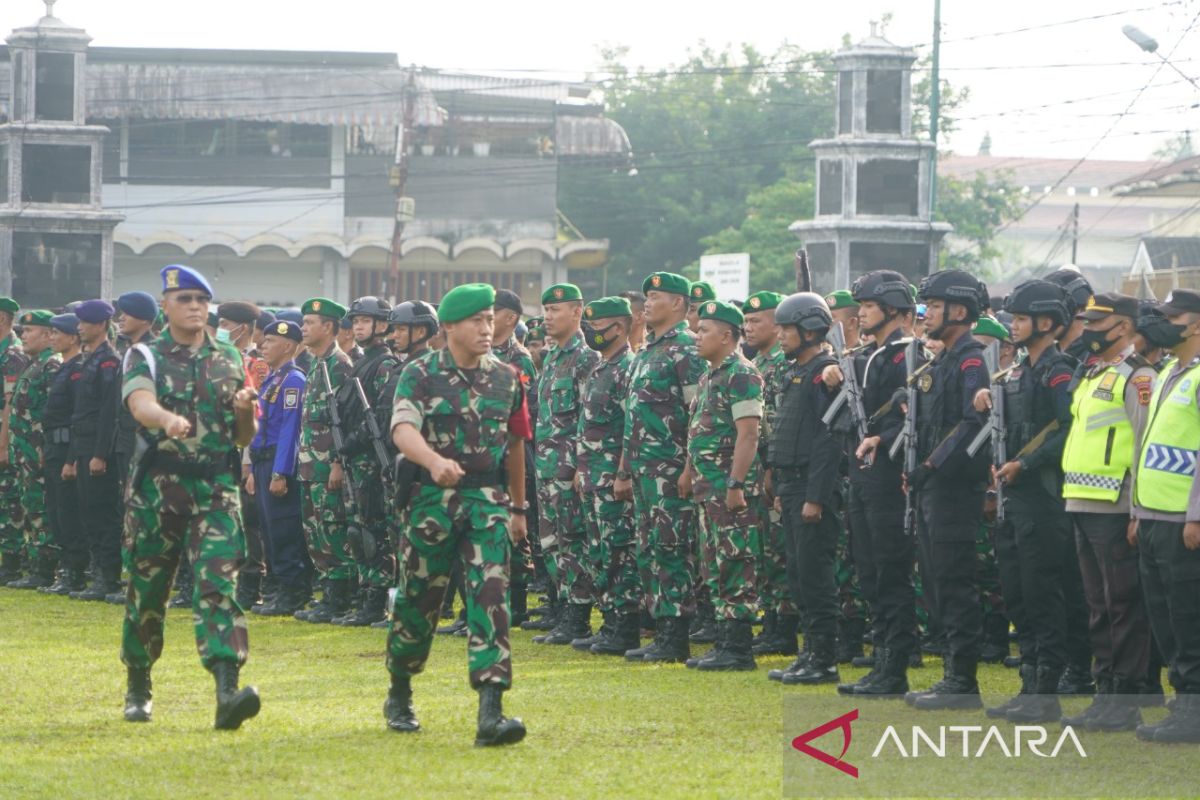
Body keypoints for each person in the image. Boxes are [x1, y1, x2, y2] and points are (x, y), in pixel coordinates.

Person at [384, 283, 530, 746]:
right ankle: (400, 690)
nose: (487, 329)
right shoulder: (420, 373)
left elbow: (516, 444)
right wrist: (432, 461)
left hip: (487, 500)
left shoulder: (507, 377)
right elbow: (402, 429)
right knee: (418, 599)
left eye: (490, 319)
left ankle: (491, 710)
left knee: (491, 596)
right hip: (431, 501)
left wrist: (520, 508)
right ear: (448, 327)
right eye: (476, 321)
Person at [121, 264, 260, 729]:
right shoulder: (146, 354)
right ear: (165, 305)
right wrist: (165, 420)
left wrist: (244, 412)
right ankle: (139, 683)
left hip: (217, 488)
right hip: (159, 488)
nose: (196, 307)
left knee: (219, 585)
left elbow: (244, 436)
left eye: (202, 300)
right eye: (185, 299)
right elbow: (140, 404)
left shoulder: (229, 357)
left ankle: (227, 690)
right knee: (148, 590)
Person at [976, 281, 1077, 723]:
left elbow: (1065, 428)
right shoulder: (1018, 369)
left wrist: (1027, 464)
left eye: (1020, 319)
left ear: (1048, 324)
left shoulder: (1059, 369)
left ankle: (1046, 691)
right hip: (1014, 498)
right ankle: (1029, 685)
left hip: (1043, 497)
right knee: (1017, 593)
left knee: (1042, 595)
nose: (1012, 326)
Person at [1058, 292, 1156, 730]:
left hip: (1116, 506)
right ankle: (1105, 691)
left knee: (1122, 605)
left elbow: (1143, 445)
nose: (1089, 331)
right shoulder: (1095, 373)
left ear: (1124, 327)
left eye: (1099, 323)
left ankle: (1125, 697)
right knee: (1098, 604)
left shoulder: (1138, 377)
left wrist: (1137, 510)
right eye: (1088, 322)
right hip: (1082, 500)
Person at [831, 270, 920, 697]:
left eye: (868, 306)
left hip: (891, 475)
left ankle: (895, 666)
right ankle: (881, 658)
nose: (860, 313)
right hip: (862, 476)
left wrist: (881, 439)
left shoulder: (909, 356)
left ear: (894, 311)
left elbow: (912, 417)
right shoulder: (868, 357)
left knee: (890, 572)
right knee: (868, 570)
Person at [905, 269, 990, 710]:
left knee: (954, 581)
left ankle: (962, 680)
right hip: (931, 485)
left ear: (959, 311)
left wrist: (930, 465)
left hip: (954, 487)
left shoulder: (971, 359)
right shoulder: (941, 360)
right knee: (936, 579)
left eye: (934, 307)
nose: (926, 315)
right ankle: (951, 675)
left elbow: (970, 425)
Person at [617, 272, 708, 663]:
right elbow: (632, 418)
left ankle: (676, 635)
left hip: (671, 471)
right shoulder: (647, 351)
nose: (647, 303)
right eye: (646, 296)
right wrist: (623, 469)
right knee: (649, 548)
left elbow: (699, 415)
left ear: (678, 303)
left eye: (656, 296)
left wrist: (690, 468)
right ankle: (659, 627)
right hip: (642, 471)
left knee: (673, 550)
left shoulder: (687, 350)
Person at [1131, 288, 1200, 743]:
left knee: (1187, 619)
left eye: (1172, 317)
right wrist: (1136, 511)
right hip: (1153, 516)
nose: (1162, 324)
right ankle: (1182, 704)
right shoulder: (1170, 372)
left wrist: (1197, 515)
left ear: (1195, 324)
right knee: (1164, 618)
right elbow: (1150, 448)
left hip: (1183, 521)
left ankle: (1192, 711)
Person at [681, 299, 764, 671]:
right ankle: (722, 641)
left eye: (704, 331)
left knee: (735, 562)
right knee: (712, 564)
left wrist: (736, 483)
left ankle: (739, 648)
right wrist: (687, 470)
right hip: (706, 487)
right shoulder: (708, 375)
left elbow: (749, 435)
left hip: (728, 489)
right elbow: (697, 430)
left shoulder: (741, 374)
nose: (697, 336)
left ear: (727, 336)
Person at [766, 293, 843, 684]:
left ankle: (824, 658)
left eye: (786, 328)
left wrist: (815, 496)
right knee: (797, 574)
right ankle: (809, 652)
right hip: (792, 485)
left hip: (813, 488)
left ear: (809, 330)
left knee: (815, 575)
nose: (779, 335)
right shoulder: (799, 370)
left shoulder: (825, 372)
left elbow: (828, 440)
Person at [573, 297, 641, 655]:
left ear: (619, 327)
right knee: (599, 550)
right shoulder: (601, 367)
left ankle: (625, 626)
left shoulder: (627, 368)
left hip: (614, 479)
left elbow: (631, 427)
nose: (591, 333)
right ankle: (610, 621)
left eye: (597, 327)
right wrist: (581, 470)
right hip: (592, 477)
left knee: (619, 551)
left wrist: (623, 474)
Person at [532, 283, 599, 644]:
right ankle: (561, 611)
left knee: (573, 542)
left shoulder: (585, 359)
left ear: (577, 312)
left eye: (555, 310)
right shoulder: (552, 357)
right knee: (551, 543)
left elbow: (588, 419)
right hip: (546, 468)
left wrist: (579, 467)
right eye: (545, 310)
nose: (547, 317)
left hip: (568, 469)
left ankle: (578, 615)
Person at [335, 296, 401, 626]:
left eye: (364, 321)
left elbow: (379, 415)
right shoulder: (360, 361)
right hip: (355, 458)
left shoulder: (384, 364)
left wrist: (351, 442)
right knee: (357, 530)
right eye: (355, 321)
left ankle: (377, 599)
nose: (358, 326)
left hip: (371, 459)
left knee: (375, 531)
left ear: (382, 325)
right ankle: (366, 594)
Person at [740, 291, 797, 657]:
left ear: (777, 326)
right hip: (760, 470)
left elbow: (780, 426)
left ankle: (785, 627)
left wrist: (772, 469)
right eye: (744, 321)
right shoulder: (758, 363)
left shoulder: (785, 364)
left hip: (777, 470)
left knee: (781, 551)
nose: (747, 327)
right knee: (765, 552)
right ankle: (773, 622)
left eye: (755, 321)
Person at [296, 298, 355, 623]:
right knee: (315, 531)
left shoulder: (339, 365)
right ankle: (327, 596)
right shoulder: (317, 363)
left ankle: (339, 599)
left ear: (328, 327)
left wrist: (336, 463)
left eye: (309, 322)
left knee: (333, 530)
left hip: (327, 466)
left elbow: (343, 420)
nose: (303, 328)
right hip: (309, 465)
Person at [247, 321, 311, 617]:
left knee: (283, 527)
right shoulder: (274, 379)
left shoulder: (293, 380)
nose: (263, 345)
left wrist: (280, 472)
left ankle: (293, 590)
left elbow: (289, 430)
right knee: (269, 529)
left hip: (277, 462)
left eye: (270, 340)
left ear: (287, 346)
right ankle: (275, 588)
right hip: (262, 461)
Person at [3, 311, 62, 589]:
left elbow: (54, 413)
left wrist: (44, 448)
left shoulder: (51, 365)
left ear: (49, 334)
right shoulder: (34, 364)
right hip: (24, 451)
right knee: (30, 506)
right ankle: (34, 566)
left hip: (38, 450)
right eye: (22, 331)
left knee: (41, 508)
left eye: (30, 330)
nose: (23, 335)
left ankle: (45, 570)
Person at [69, 300, 122, 601]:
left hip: (97, 446)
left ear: (100, 325)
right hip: (83, 443)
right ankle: (99, 573)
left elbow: (107, 411)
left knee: (103, 512)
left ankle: (109, 578)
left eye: (85, 322)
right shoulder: (91, 359)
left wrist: (100, 453)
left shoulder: (108, 360)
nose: (79, 327)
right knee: (89, 510)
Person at [491, 289, 538, 628]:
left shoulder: (517, 358)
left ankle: (517, 603)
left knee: (514, 527)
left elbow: (520, 413)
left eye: (492, 311)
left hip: (514, 449)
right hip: (488, 452)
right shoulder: (486, 354)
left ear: (510, 317)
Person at [38, 315, 85, 595]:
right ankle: (66, 569)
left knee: (69, 513)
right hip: (54, 446)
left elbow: (77, 417)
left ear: (73, 337)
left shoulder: (78, 369)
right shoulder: (63, 368)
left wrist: (71, 458)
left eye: (58, 333)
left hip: (68, 447)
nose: (52, 337)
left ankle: (75, 572)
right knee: (56, 512)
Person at [0, 297, 29, 583]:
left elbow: (10, 402)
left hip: (7, 431)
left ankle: (12, 561)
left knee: (10, 499)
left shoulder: (13, 354)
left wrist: (3, 443)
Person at [387, 300, 438, 366]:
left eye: (402, 329)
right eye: (395, 329)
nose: (395, 335)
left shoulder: (427, 367)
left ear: (421, 332)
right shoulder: (404, 364)